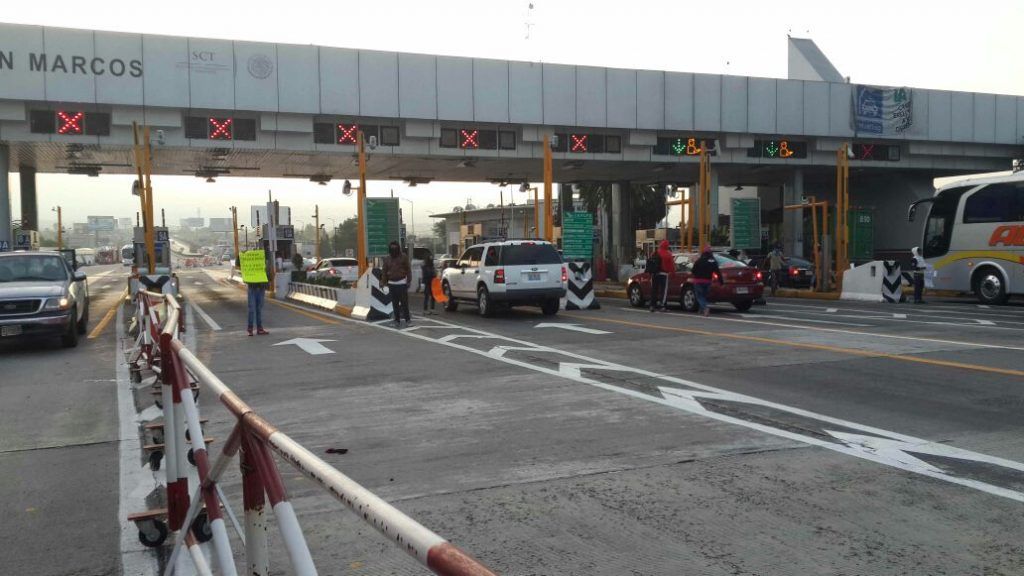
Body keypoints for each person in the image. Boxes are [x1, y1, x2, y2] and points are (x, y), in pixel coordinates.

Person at [382, 241, 412, 327]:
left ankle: (408, 320)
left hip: (402, 283)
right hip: (391, 284)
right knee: (394, 304)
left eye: (395, 248)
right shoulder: (387, 258)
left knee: (404, 303)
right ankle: (397, 320)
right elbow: (384, 271)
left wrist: (408, 281)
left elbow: (408, 269)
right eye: (392, 248)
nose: (394, 250)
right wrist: (383, 282)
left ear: (398, 248)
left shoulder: (403, 257)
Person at [690, 245, 723, 317]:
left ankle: (705, 308)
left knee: (699, 296)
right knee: (704, 296)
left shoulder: (699, 260)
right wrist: (721, 281)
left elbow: (693, 271)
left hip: (698, 281)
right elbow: (717, 271)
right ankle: (701, 309)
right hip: (708, 281)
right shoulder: (713, 261)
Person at [245, 258, 270, 337]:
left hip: (261, 288)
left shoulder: (263, 261)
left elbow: (268, 273)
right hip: (252, 288)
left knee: (259, 309)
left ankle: (259, 328)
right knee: (251, 309)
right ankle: (250, 329)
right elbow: (239, 263)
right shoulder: (250, 261)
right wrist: (241, 255)